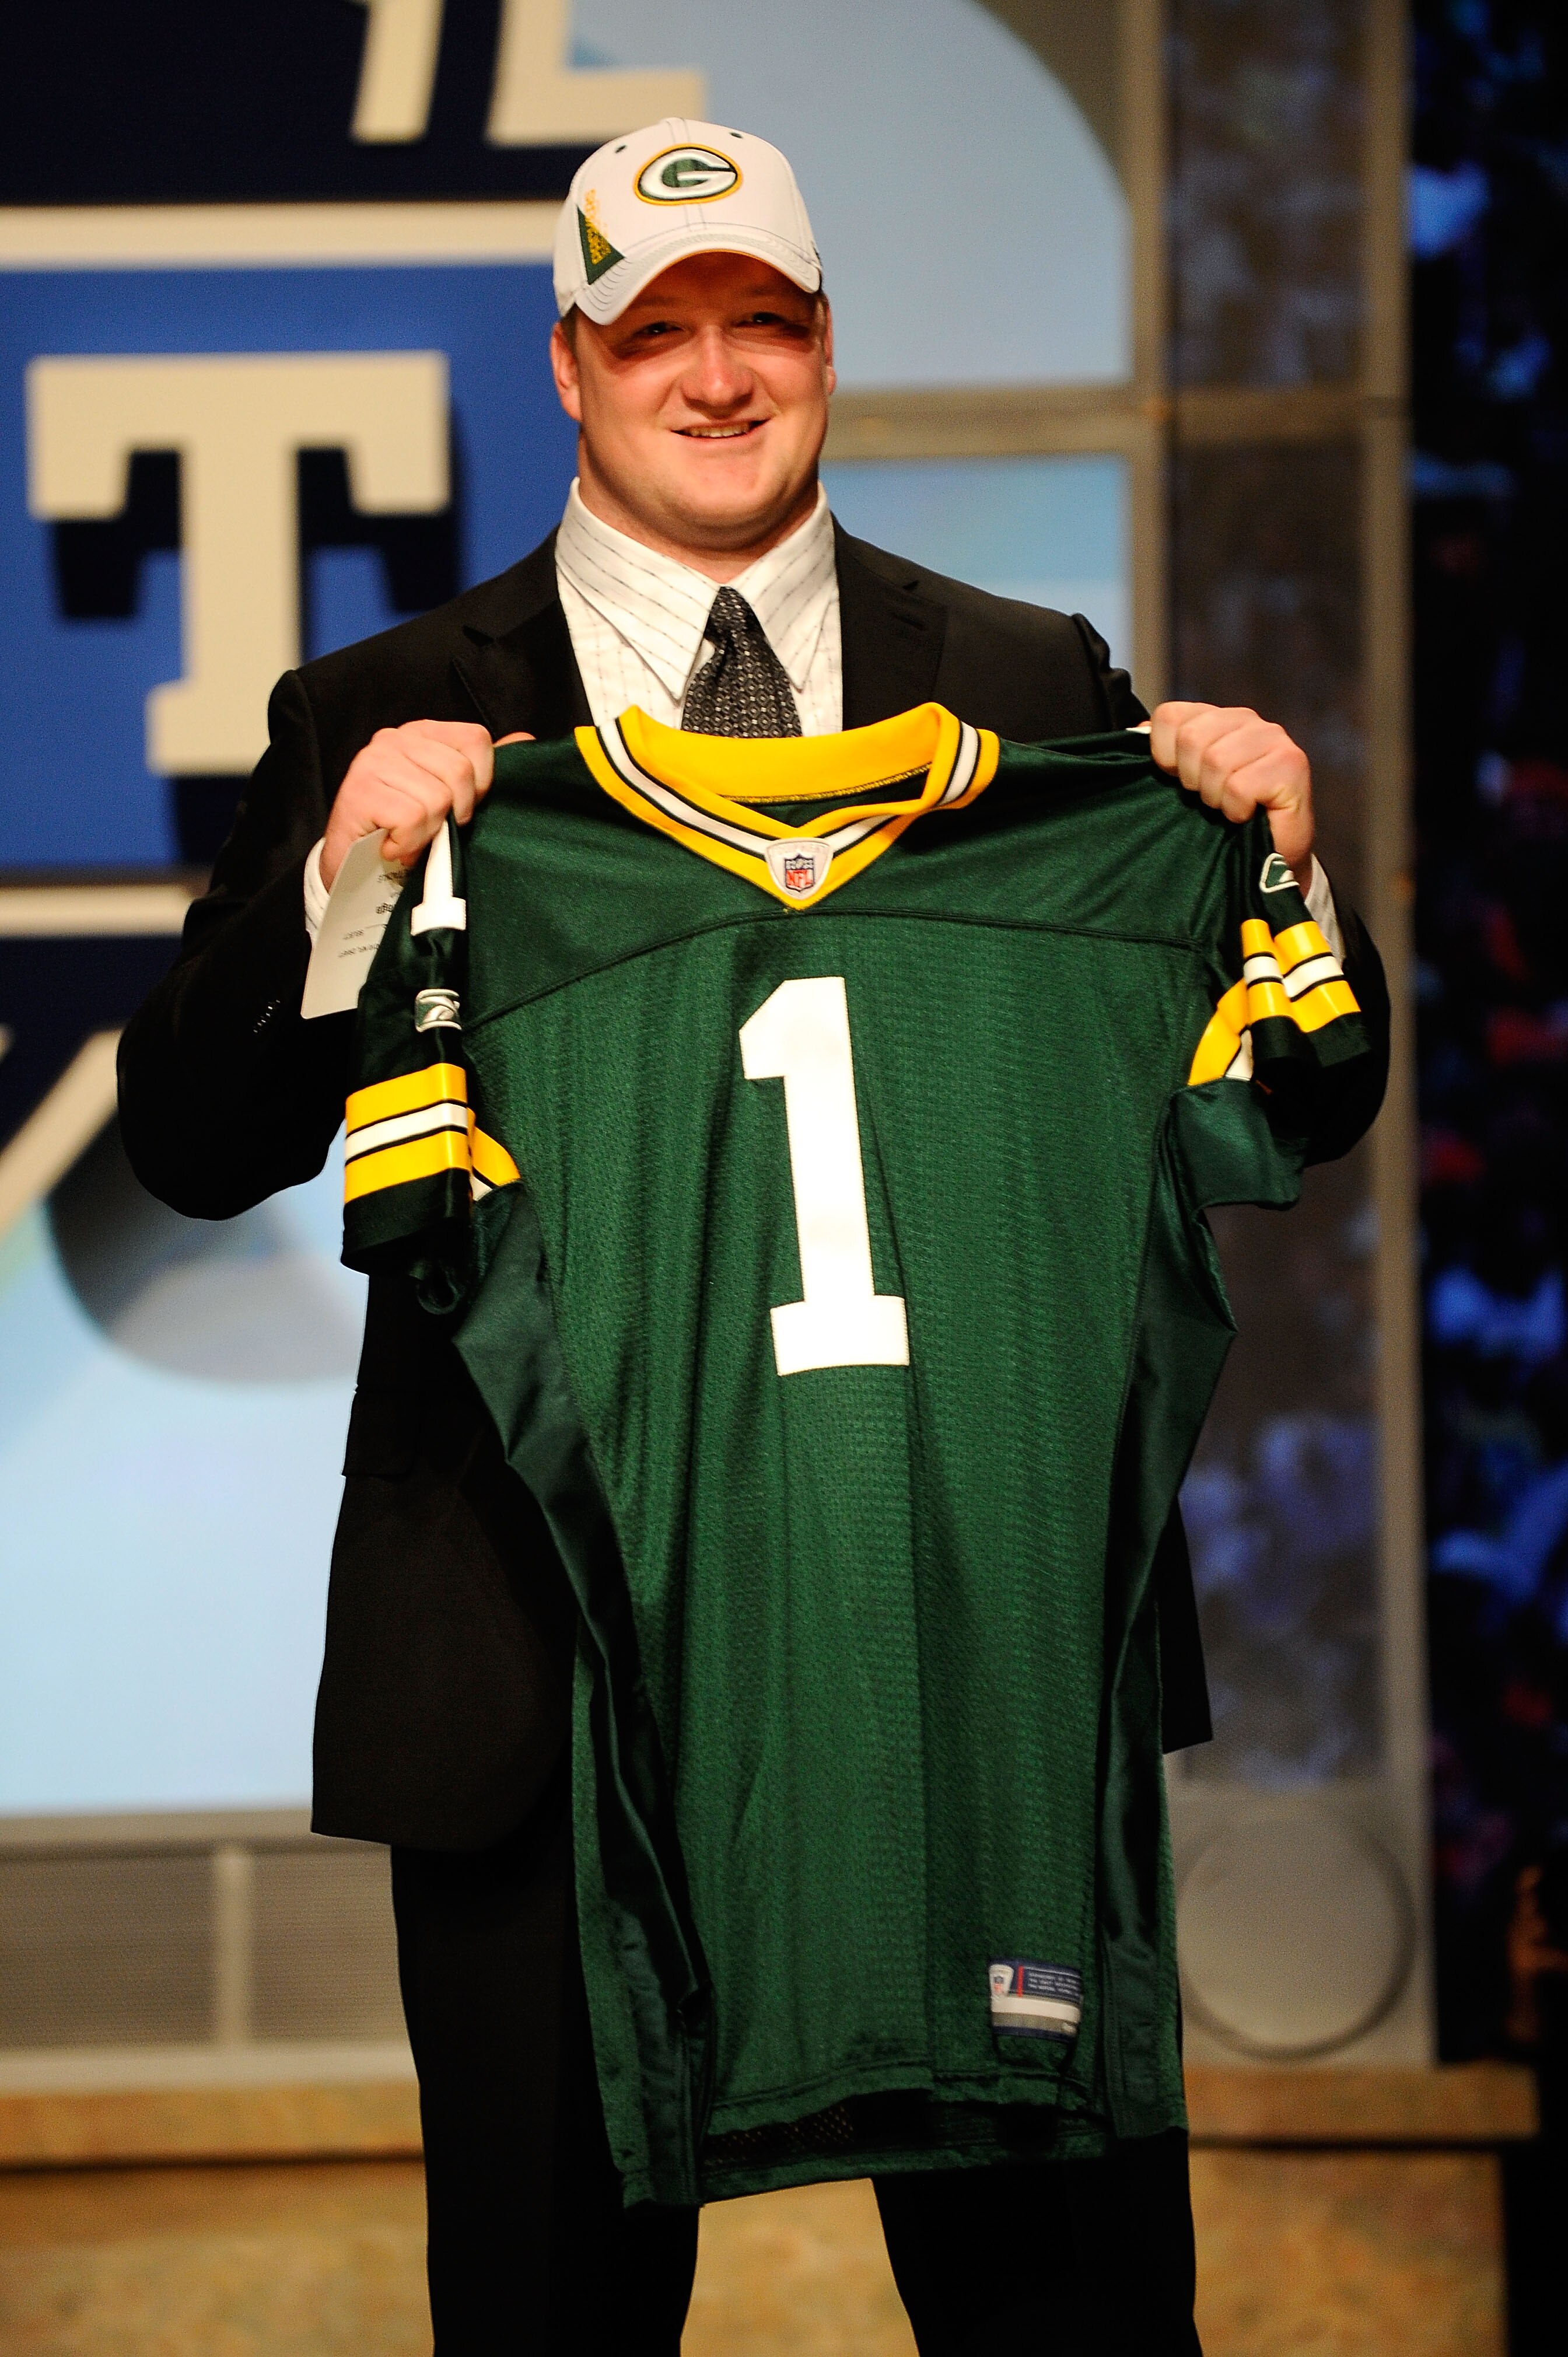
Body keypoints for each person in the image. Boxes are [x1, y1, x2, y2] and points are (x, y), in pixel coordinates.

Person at [119, 121, 1390, 2356]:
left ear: (825, 345)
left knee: (1063, 2306)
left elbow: (1313, 1087)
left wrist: (1282, 868)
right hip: (540, 1650)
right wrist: (346, 890)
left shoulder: (1030, 680)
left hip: (963, 1623)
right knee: (553, 2314)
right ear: (572, 368)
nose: (716, 378)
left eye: (763, 324)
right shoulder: (393, 710)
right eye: (657, 334)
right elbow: (193, 1143)